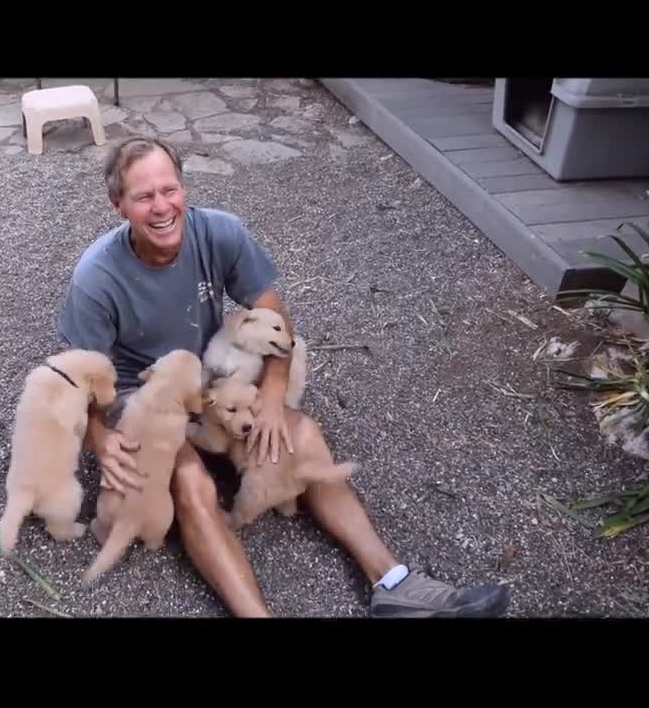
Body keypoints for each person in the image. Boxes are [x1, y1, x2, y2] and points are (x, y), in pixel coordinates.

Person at [57, 135, 509, 618]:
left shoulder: (221, 233)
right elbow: (77, 385)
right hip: (144, 393)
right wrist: (103, 443)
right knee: (193, 483)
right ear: (118, 205)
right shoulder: (97, 278)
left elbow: (276, 323)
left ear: (183, 188)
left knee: (304, 435)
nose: (161, 206)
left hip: (210, 381)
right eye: (143, 196)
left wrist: (272, 398)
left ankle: (393, 583)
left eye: (169, 190)